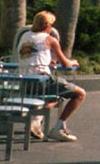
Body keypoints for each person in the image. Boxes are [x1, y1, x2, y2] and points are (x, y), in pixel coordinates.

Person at [17, 10, 85, 142]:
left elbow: (33, 56)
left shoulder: (25, 36)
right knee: (79, 94)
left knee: (55, 97)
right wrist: (73, 62)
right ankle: (58, 128)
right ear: (47, 26)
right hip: (42, 81)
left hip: (25, 83)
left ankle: (36, 121)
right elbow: (66, 64)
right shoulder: (50, 39)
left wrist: (48, 62)